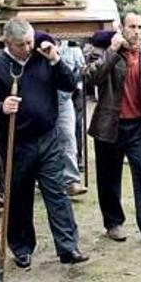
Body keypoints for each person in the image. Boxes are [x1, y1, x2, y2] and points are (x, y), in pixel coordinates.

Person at [0, 19, 87, 267]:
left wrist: (55, 59)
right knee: (19, 197)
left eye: (30, 41)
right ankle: (22, 247)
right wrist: (1, 106)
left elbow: (70, 85)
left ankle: (68, 247)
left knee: (57, 193)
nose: (28, 47)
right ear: (7, 43)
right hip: (16, 142)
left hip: (48, 138)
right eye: (21, 44)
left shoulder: (41, 57)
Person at [84, 13, 141, 244]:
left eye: (140, 27)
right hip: (109, 125)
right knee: (109, 177)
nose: (136, 31)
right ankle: (113, 223)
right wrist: (112, 52)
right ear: (122, 28)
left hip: (139, 126)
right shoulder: (103, 52)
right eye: (132, 26)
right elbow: (90, 79)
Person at [57, 38, 87, 196]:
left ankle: (71, 180)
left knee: (69, 137)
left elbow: (79, 72)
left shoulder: (72, 49)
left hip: (65, 98)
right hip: (41, 97)